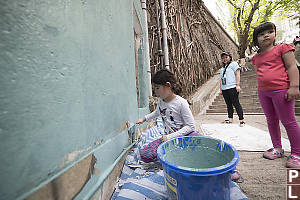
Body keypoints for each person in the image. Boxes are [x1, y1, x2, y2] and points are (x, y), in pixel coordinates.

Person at [251, 22, 300, 168]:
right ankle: (277, 148)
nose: (266, 35)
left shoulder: (282, 49)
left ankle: (297, 153)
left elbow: (292, 67)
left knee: (289, 121)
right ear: (256, 39)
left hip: (281, 90)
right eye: (261, 34)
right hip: (263, 92)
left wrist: (294, 86)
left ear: (274, 34)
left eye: (269, 32)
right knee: (271, 120)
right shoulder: (256, 58)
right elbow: (260, 73)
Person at [136, 69, 201, 163]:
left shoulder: (181, 103)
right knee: (145, 155)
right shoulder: (161, 101)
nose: (155, 91)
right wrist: (144, 118)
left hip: (185, 136)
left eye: (157, 88)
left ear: (168, 85)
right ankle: (175, 156)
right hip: (169, 139)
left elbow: (190, 126)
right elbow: (157, 112)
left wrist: (170, 137)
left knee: (207, 144)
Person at [219, 52, 245, 127]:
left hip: (232, 87)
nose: (224, 59)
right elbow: (221, 79)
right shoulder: (222, 68)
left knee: (236, 103)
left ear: (230, 57)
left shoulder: (234, 64)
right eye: (223, 58)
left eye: (226, 57)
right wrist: (220, 90)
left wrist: (237, 85)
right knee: (228, 105)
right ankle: (230, 119)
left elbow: (238, 74)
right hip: (224, 89)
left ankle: (241, 120)